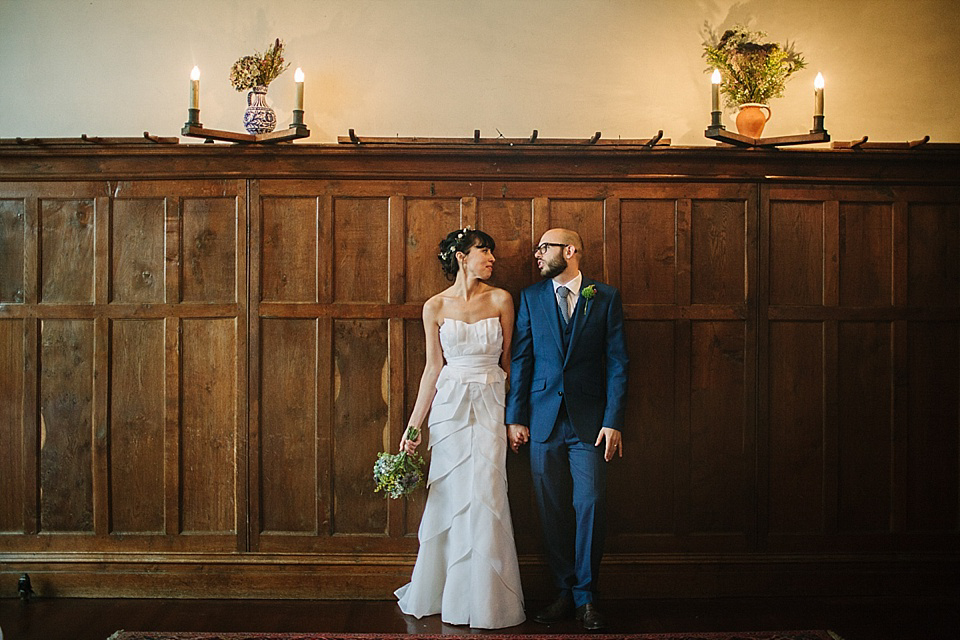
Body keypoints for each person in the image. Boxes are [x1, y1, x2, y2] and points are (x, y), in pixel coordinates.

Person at [394, 227, 525, 629]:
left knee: (487, 493)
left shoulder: (502, 299)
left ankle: (486, 601)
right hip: (449, 409)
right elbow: (433, 368)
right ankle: (443, 593)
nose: (492, 259)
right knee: (448, 496)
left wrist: (511, 418)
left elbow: (509, 363)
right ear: (461, 256)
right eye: (485, 251)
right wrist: (414, 427)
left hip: (490, 402)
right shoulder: (434, 306)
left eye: (491, 253)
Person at [505, 228, 628, 631]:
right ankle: (563, 590)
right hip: (541, 421)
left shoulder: (604, 296)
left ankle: (587, 597)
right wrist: (515, 417)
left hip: (590, 424)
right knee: (551, 509)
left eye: (545, 247)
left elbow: (617, 362)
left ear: (571, 250)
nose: (537, 254)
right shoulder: (530, 298)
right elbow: (522, 360)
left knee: (590, 503)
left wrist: (613, 421)